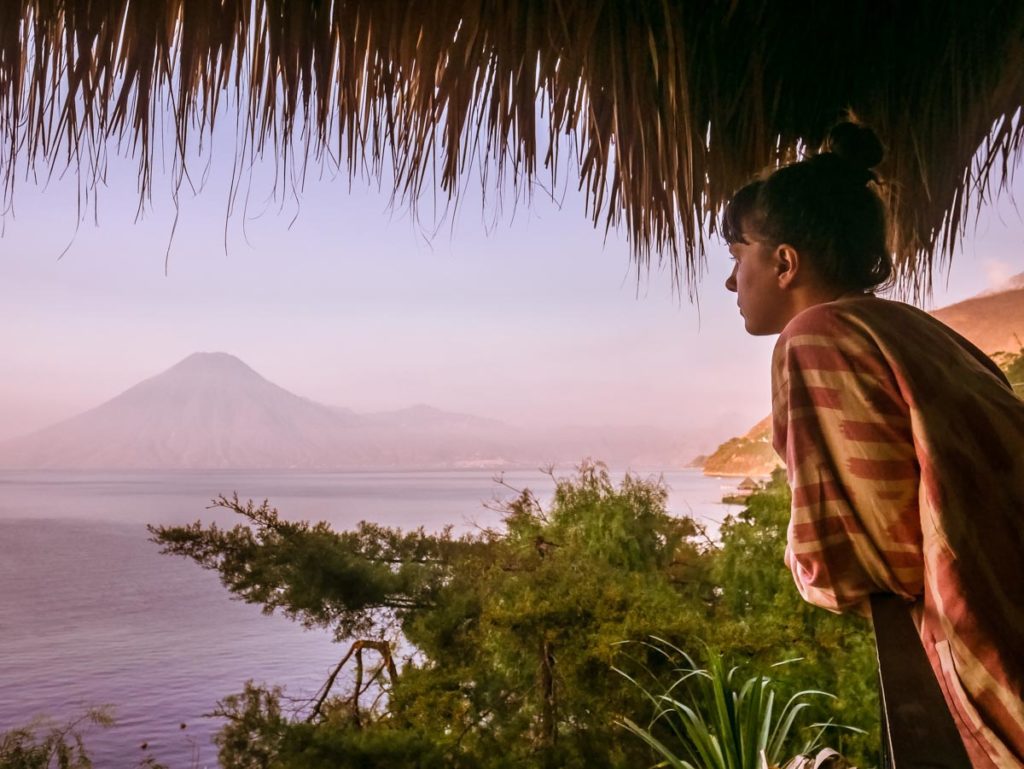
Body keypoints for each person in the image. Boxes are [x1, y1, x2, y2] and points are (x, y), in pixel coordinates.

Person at [723, 121, 1024, 767]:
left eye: (736, 254)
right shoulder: (920, 331)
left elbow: (863, 562)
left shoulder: (817, 338)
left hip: (993, 642)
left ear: (783, 260)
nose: (730, 281)